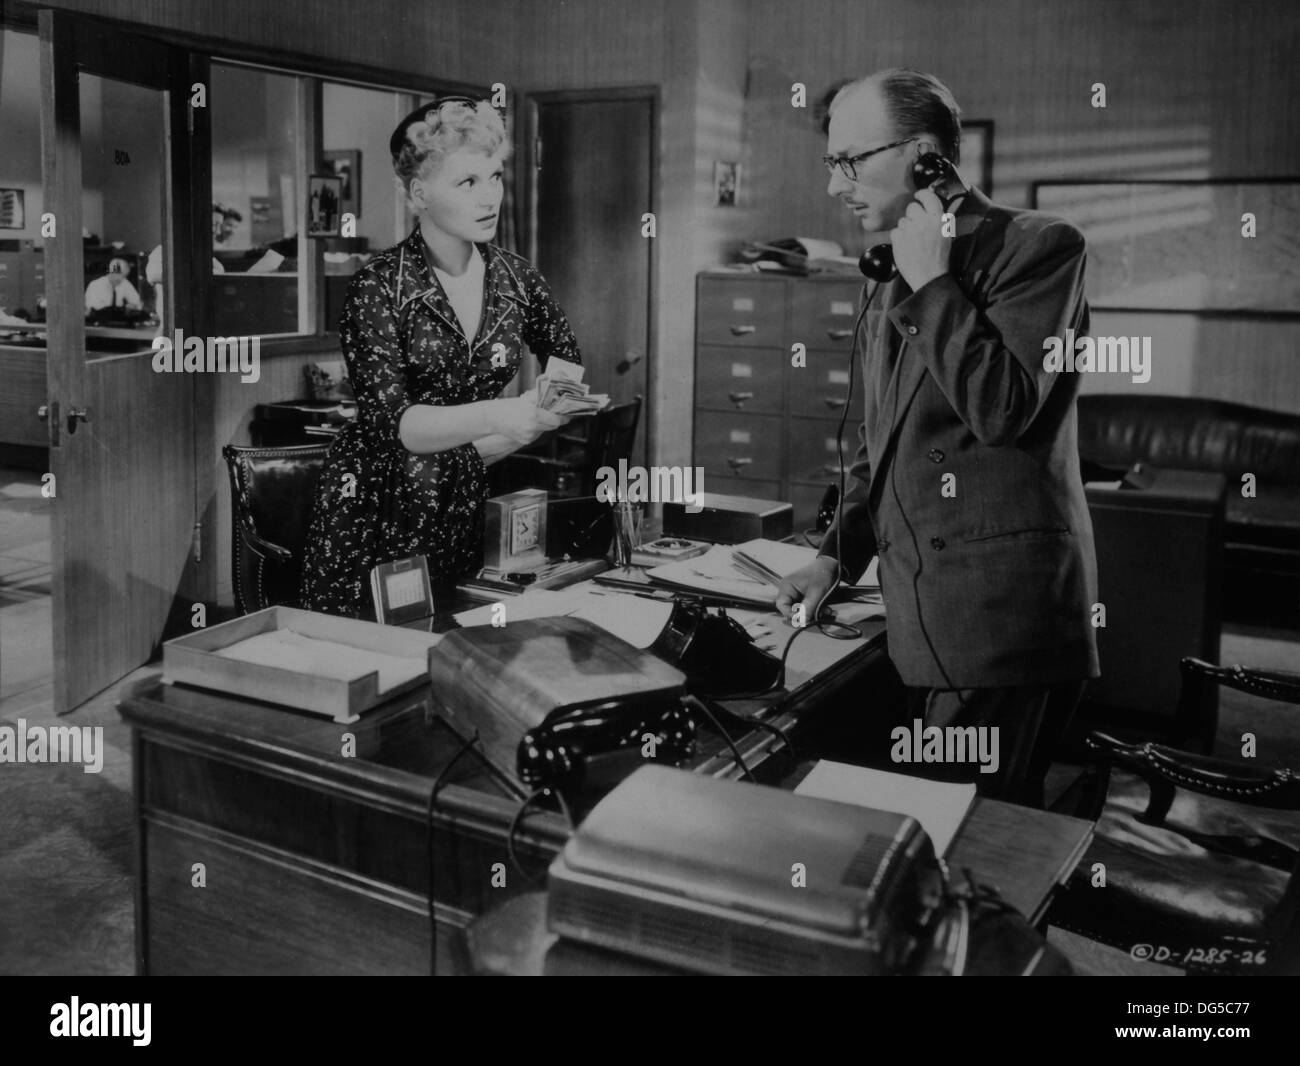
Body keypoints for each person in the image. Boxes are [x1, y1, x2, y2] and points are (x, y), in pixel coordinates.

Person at [776, 69, 1099, 807]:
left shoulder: (1041, 248)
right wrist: (835, 558)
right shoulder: (892, 269)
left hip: (1000, 626)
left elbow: (1003, 409)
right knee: (929, 822)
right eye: (832, 164)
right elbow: (880, 440)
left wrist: (933, 284)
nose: (836, 186)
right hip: (922, 615)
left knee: (966, 840)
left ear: (925, 156)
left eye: (850, 161)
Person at [301, 98, 580, 618]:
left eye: (494, 177)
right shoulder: (378, 285)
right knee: (384, 659)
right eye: (467, 183)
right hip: (378, 508)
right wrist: (500, 414)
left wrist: (542, 414)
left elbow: (565, 362)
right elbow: (397, 426)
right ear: (419, 194)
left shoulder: (519, 278)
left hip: (465, 496)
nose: (490, 197)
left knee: (461, 646)